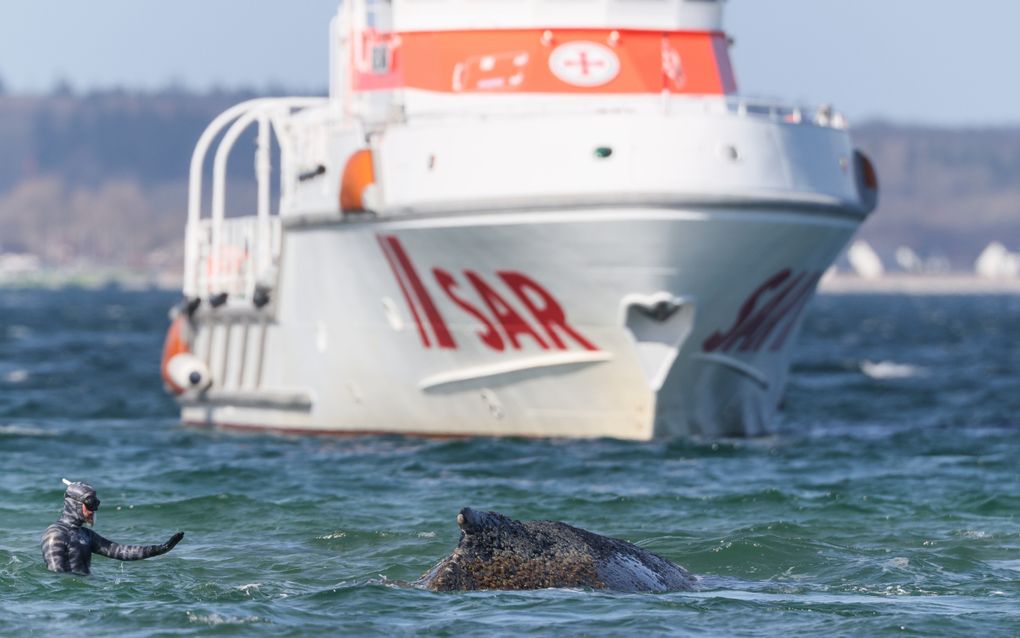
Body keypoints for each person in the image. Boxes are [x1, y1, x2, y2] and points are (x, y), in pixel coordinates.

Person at [41, 479, 184, 575]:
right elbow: (57, 579)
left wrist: (160, 549)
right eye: (90, 504)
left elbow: (120, 551)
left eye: (96, 504)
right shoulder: (55, 535)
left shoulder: (86, 535)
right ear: (74, 504)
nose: (94, 510)